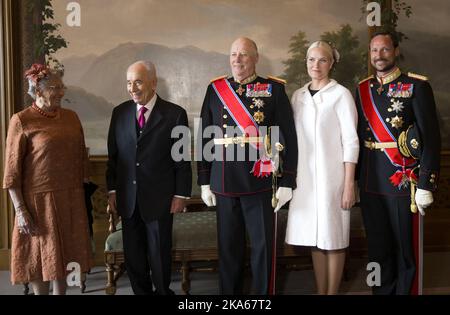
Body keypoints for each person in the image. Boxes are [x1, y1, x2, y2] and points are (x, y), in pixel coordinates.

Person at [197, 37, 298, 294]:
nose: (237, 59)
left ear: (255, 58)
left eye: (243, 54)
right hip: (224, 180)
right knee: (228, 251)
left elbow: (289, 136)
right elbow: (205, 137)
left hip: (260, 183)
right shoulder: (216, 89)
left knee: (264, 250)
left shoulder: (273, 89)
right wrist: (204, 181)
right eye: (233, 54)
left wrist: (287, 180)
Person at [355, 31, 441, 294]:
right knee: (378, 247)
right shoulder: (361, 89)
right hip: (371, 181)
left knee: (404, 248)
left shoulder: (416, 86)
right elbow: (356, 137)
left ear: (396, 50)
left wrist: (426, 182)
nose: (378, 56)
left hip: (402, 181)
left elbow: (431, 137)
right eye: (374, 51)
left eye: (384, 50)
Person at [2, 63, 92, 295]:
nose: (61, 92)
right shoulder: (21, 120)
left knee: (64, 257)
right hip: (37, 202)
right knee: (39, 258)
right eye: (55, 87)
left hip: (70, 197)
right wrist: (20, 210)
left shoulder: (71, 118)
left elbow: (82, 155)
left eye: (62, 86)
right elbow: (12, 172)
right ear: (38, 90)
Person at [106, 60, 192, 295]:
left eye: (138, 82)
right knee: (133, 256)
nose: (132, 88)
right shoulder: (119, 113)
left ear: (153, 83)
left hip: (160, 199)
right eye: (129, 83)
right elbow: (113, 157)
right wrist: (112, 190)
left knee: (159, 254)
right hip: (128, 199)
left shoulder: (175, 114)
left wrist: (181, 195)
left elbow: (182, 160)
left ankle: (163, 292)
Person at [285, 41, 359, 295]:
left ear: (332, 63)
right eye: (311, 60)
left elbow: (351, 141)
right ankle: (321, 291)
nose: (316, 65)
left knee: (334, 238)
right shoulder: (298, 96)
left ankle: (332, 293)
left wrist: (349, 185)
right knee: (315, 239)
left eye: (322, 60)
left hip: (333, 179)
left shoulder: (341, 94)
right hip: (305, 180)